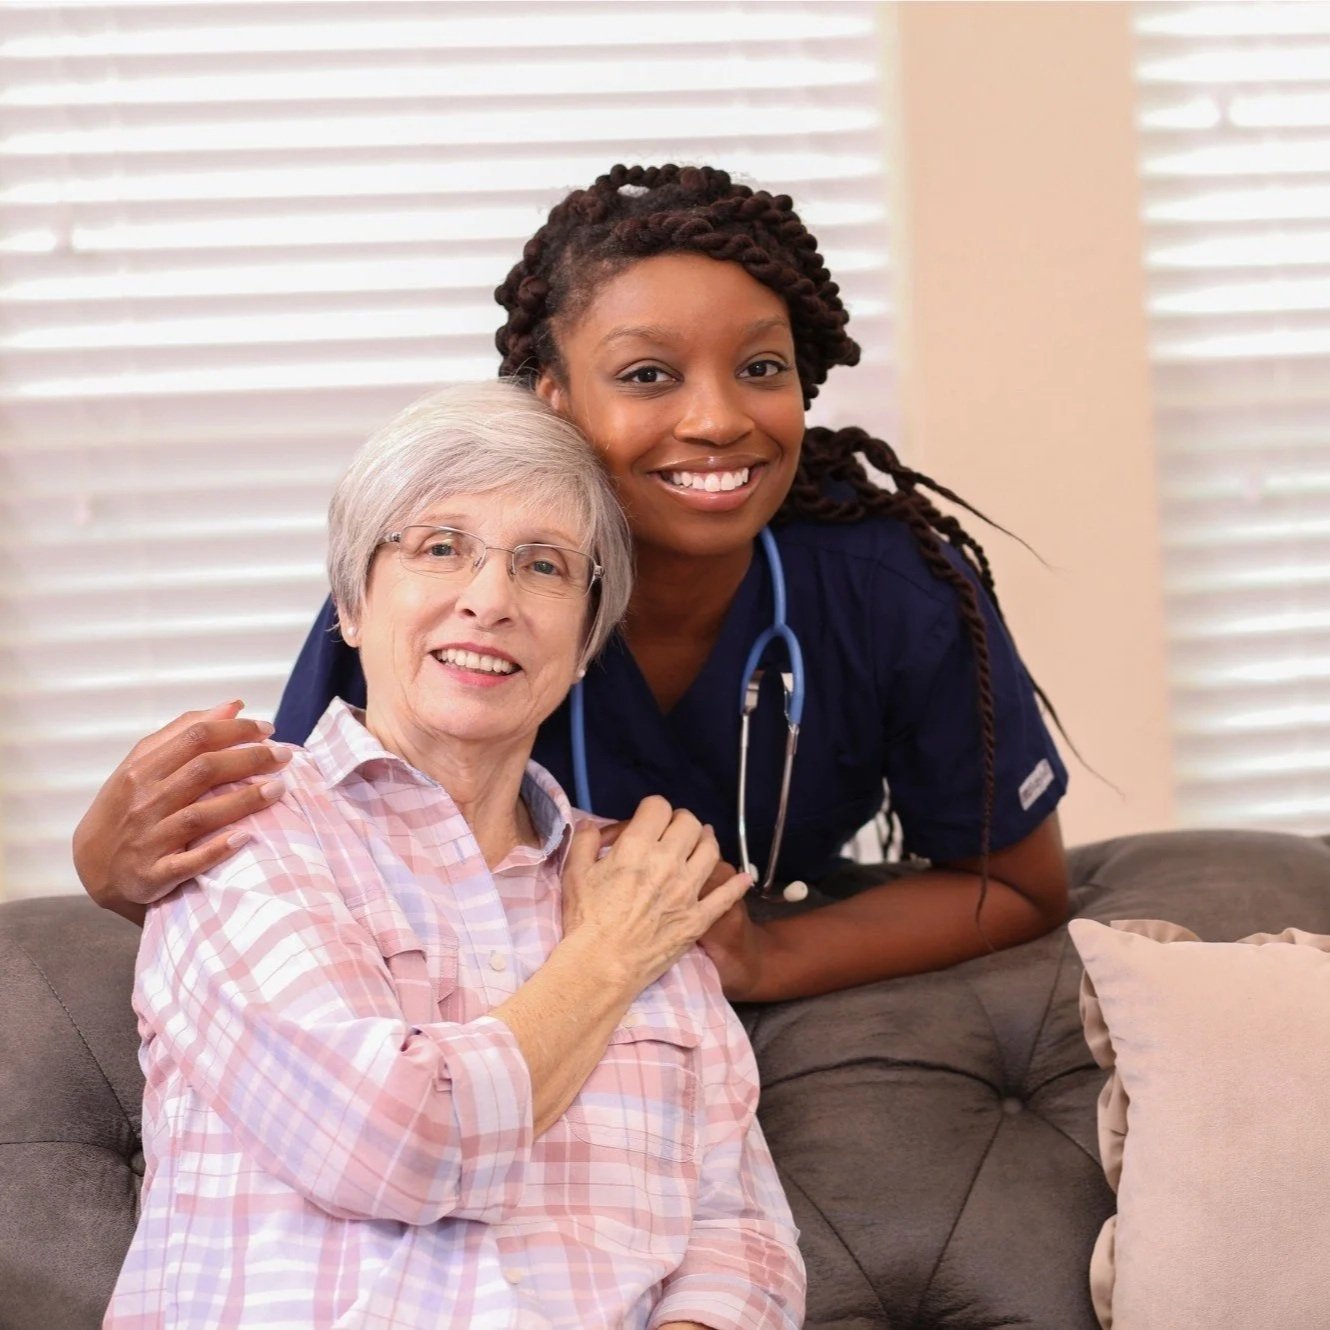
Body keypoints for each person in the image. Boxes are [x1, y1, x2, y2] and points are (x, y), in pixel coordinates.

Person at [74, 163, 1070, 1002]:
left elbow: (1018, 887)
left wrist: (768, 955)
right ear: (551, 396)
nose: (720, 418)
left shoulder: (886, 588)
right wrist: (106, 867)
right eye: (648, 374)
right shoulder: (442, 597)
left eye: (761, 367)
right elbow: (284, 875)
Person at [105, 380, 804, 1330]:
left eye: (545, 566)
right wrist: (608, 958)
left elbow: (742, 1233)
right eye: (440, 549)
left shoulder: (642, 883)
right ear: (352, 604)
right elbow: (398, 1141)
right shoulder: (246, 831)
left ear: (588, 637)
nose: (491, 601)